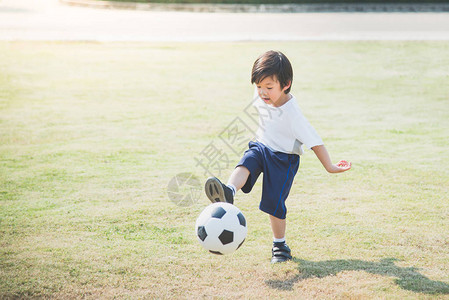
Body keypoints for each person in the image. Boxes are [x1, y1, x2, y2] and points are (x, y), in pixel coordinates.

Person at [204, 50, 351, 263]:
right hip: (262, 146)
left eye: (269, 88)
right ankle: (229, 191)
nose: (262, 92)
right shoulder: (261, 95)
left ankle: (279, 245)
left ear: (286, 85)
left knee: (273, 203)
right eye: (259, 86)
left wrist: (329, 166)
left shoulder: (293, 115)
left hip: (284, 159)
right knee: (247, 161)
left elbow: (315, 141)